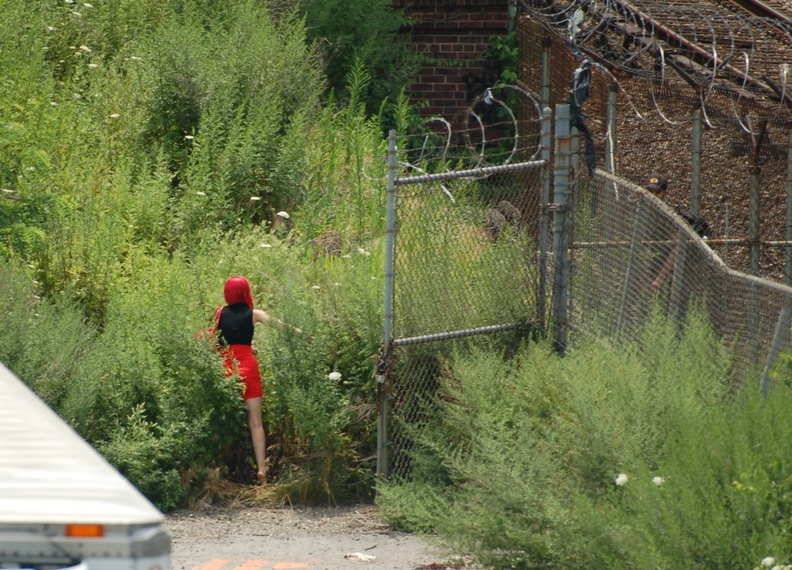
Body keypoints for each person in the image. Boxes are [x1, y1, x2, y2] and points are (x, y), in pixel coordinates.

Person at [213, 276, 302, 483]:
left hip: (225, 367)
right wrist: (305, 336)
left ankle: (220, 467)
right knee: (255, 423)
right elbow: (284, 327)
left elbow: (217, 339)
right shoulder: (254, 314)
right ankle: (261, 469)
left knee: (222, 418)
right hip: (248, 367)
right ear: (246, 292)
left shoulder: (219, 313)